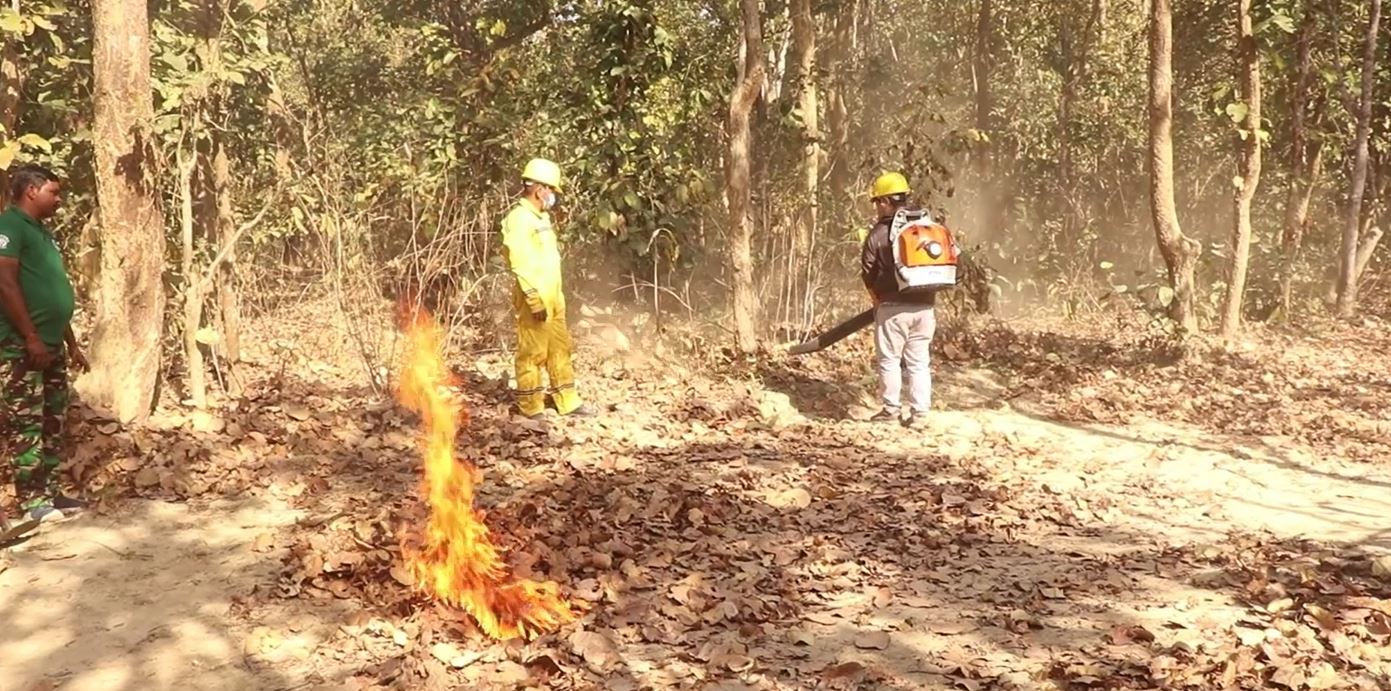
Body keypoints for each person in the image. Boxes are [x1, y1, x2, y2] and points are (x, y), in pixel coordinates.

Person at [0, 164, 88, 523]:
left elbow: (51, 289)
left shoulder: (45, 233)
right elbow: (5, 281)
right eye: (54, 192)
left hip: (52, 343)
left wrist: (71, 341)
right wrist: (31, 337)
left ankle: (50, 491)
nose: (59, 199)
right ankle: (32, 501)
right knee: (27, 420)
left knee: (53, 418)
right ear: (31, 192)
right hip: (21, 346)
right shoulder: (9, 226)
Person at [500, 158, 596, 419]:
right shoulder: (519, 219)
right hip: (535, 296)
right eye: (551, 190)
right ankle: (530, 407)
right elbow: (518, 260)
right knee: (533, 351)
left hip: (554, 296)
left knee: (559, 347)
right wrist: (532, 297)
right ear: (539, 189)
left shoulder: (540, 217)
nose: (553, 196)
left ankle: (568, 400)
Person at [860, 171, 935, 428]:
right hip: (925, 307)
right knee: (919, 362)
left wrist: (877, 300)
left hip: (892, 308)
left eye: (877, 202)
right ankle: (920, 414)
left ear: (885, 202)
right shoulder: (924, 226)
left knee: (890, 360)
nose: (876, 208)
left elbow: (868, 273)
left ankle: (891, 411)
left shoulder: (879, 234)